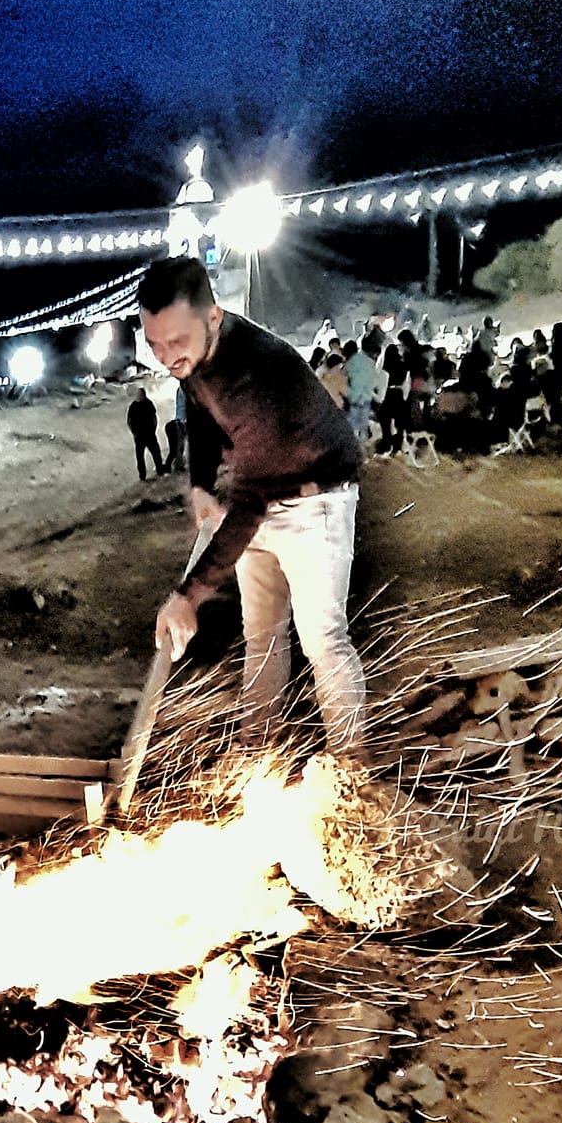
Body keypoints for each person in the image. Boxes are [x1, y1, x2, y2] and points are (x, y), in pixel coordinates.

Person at [138, 258, 365, 752]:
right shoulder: (193, 360)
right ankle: (258, 749)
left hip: (315, 502)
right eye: (154, 343)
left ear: (213, 316)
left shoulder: (259, 375)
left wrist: (189, 596)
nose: (165, 356)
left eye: (176, 341)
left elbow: (248, 504)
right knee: (261, 635)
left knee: (322, 639)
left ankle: (352, 770)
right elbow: (197, 409)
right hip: (261, 500)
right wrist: (200, 484)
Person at [342, 338, 378, 444]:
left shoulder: (350, 363)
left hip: (354, 397)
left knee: (352, 428)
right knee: (363, 427)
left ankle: (353, 449)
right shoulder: (369, 361)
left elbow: (346, 379)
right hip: (367, 397)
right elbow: (374, 380)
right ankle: (364, 449)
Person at [126, 387, 164, 479]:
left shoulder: (148, 404)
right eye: (137, 395)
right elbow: (129, 421)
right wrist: (133, 432)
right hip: (139, 436)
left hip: (149, 434)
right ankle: (142, 475)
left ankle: (160, 469)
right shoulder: (133, 406)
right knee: (140, 457)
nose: (138, 396)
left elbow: (154, 418)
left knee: (156, 453)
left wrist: (153, 429)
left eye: (140, 395)